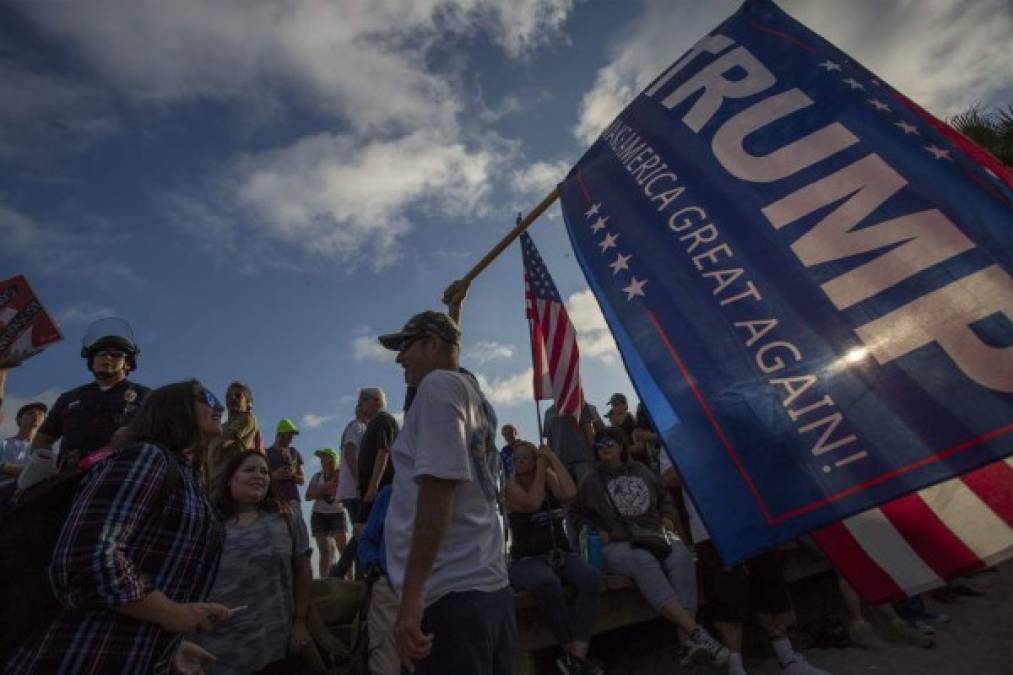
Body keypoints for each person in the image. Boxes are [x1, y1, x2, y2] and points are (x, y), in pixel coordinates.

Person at [4, 380, 230, 674]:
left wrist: (170, 648)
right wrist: (175, 614)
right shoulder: (148, 457)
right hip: (80, 655)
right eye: (208, 398)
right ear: (174, 409)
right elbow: (87, 559)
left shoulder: (192, 482)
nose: (220, 407)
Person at [378, 310, 513, 675]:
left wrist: (411, 598)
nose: (399, 358)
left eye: (405, 347)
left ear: (431, 345)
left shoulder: (438, 385)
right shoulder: (474, 397)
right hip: (486, 587)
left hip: (453, 596)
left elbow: (439, 489)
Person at [658, 450, 830, 675]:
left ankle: (788, 659)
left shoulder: (725, 419)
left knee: (769, 590)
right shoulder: (669, 430)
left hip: (752, 517)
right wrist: (704, 455)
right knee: (727, 601)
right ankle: (736, 668)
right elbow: (668, 477)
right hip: (710, 528)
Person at [571, 427, 728, 667]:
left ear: (621, 446)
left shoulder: (642, 470)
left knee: (681, 557)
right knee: (642, 560)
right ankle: (696, 633)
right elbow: (575, 512)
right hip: (618, 543)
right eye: (599, 444)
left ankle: (687, 643)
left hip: (654, 535)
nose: (604, 447)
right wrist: (595, 531)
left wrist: (666, 516)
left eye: (609, 442)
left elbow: (664, 496)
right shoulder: (591, 479)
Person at [193, 449, 313, 674]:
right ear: (230, 479)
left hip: (274, 645)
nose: (259, 475)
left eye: (265, 471)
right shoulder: (207, 522)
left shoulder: (288, 515)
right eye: (249, 469)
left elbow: (303, 569)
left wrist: (300, 621)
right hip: (215, 648)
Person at [506, 440, 602, 675]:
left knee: (591, 578)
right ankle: (571, 652)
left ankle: (576, 656)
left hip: (560, 554)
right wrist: (541, 468)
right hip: (526, 560)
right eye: (515, 458)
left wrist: (551, 457)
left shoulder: (547, 477)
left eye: (525, 457)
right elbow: (532, 502)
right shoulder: (508, 486)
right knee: (546, 583)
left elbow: (570, 493)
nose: (519, 462)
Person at [22, 317, 150, 489]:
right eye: (101, 353)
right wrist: (44, 465)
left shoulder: (146, 397)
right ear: (91, 360)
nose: (108, 357)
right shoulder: (69, 397)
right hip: (67, 480)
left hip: (120, 480)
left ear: (127, 362)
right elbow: (44, 438)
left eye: (116, 354)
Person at [205, 381, 261, 492]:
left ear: (248, 402)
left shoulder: (247, 417)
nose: (232, 398)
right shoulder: (223, 425)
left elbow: (220, 441)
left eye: (238, 395)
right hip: (212, 481)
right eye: (228, 396)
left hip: (228, 481)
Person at [356, 386, 398, 526]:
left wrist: (373, 486)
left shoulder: (382, 419)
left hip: (381, 489)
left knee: (365, 530)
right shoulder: (372, 423)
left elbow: (383, 451)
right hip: (371, 489)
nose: (360, 404)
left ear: (377, 400)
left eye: (363, 400)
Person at [306, 447, 350, 578]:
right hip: (319, 514)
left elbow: (340, 491)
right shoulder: (317, 476)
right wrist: (327, 488)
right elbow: (308, 495)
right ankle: (324, 582)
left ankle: (352, 580)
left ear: (333, 459)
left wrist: (319, 491)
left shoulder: (343, 474)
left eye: (326, 457)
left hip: (337, 513)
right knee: (325, 552)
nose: (323, 460)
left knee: (344, 550)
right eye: (321, 458)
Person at [543, 400, 601, 487]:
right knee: (569, 495)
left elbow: (588, 431)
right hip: (561, 462)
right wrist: (550, 461)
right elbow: (549, 441)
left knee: (589, 490)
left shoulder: (580, 404)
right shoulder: (548, 412)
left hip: (582, 458)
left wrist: (595, 454)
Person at [0, 401, 46, 496]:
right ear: (19, 419)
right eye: (31, 413)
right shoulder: (4, 444)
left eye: (41, 414)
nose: (36, 416)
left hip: (32, 495)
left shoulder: (46, 450)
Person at [266, 417, 305, 508]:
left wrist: (292, 475)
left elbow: (302, 480)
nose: (292, 438)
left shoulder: (294, 452)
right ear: (280, 434)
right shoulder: (266, 453)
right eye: (289, 435)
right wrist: (274, 475)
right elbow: (260, 478)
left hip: (293, 500)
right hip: (273, 501)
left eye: (293, 435)